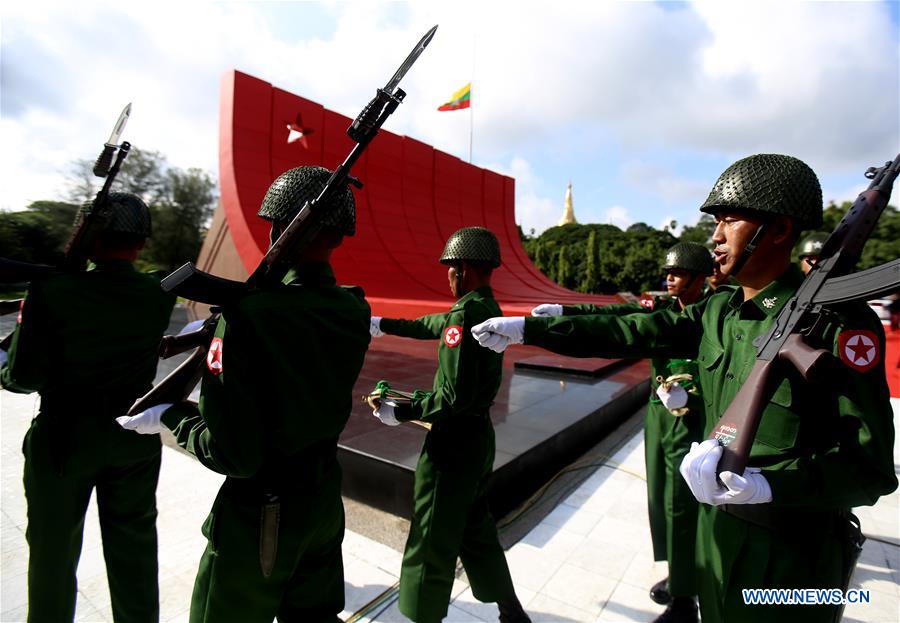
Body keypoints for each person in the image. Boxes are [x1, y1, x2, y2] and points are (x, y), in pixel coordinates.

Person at [471, 154, 897, 623]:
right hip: (715, 541)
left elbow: (871, 468)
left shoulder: (839, 326)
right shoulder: (719, 311)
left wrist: (769, 485)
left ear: (778, 230)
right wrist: (528, 330)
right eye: (715, 221)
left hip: (794, 563)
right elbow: (636, 329)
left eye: (730, 219)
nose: (714, 236)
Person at [118, 166, 371, 623]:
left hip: (261, 515)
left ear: (279, 225)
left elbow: (234, 454)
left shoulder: (249, 317)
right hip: (321, 502)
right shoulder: (352, 307)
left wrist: (173, 417)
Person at [0, 193, 175, 623]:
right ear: (141, 240)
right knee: (134, 552)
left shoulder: (52, 290)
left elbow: (23, 378)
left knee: (53, 555)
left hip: (64, 440)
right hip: (133, 437)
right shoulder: (158, 292)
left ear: (88, 237)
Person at [531, 241, 713, 623]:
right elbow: (618, 314)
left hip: (689, 420)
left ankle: (686, 601)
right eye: (668, 272)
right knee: (661, 498)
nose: (669, 278)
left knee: (682, 505)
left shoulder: (712, 312)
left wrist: (692, 394)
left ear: (699, 278)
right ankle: (679, 575)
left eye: (677, 273)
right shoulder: (664, 307)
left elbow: (723, 370)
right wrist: (563, 310)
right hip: (659, 415)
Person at [368, 226, 531, 623]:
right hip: (478, 440)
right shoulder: (487, 308)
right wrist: (381, 324)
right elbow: (429, 326)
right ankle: (511, 611)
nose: (447, 277)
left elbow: (451, 398)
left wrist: (402, 412)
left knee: (431, 537)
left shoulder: (463, 312)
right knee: (475, 533)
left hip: (452, 447)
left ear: (461, 269)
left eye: (449, 269)